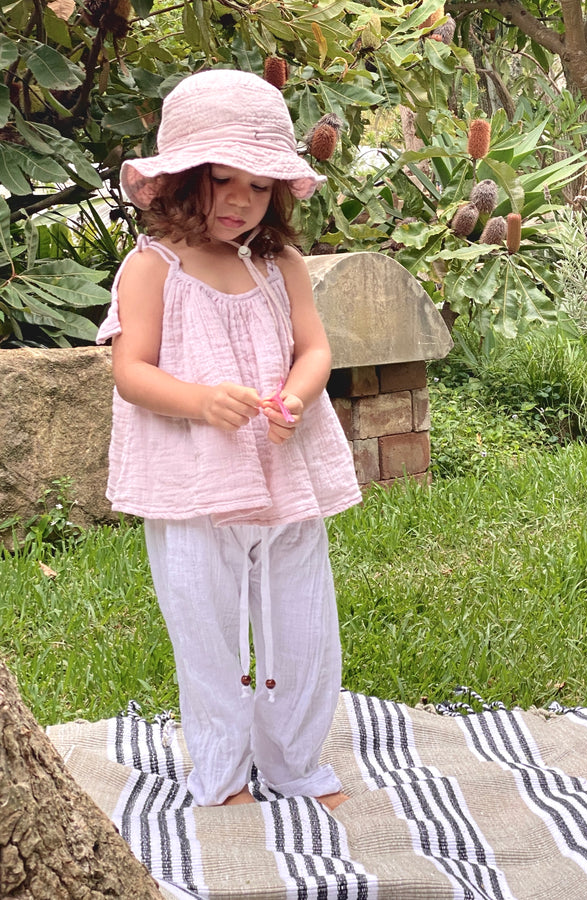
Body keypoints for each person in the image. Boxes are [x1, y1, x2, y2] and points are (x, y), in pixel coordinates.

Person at [97, 68, 362, 809]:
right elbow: (131, 372)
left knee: (301, 624)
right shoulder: (152, 268)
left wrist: (298, 396)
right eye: (222, 179)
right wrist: (200, 400)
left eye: (260, 185)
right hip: (194, 484)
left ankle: (295, 762)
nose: (241, 200)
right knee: (206, 630)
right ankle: (221, 770)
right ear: (182, 180)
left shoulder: (281, 266)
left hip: (283, 470)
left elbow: (314, 349)